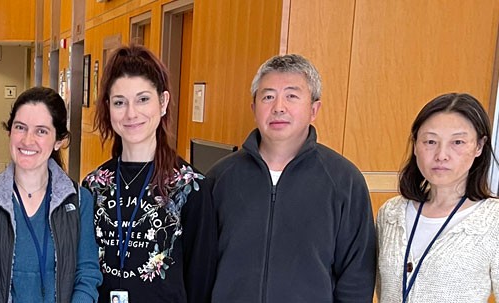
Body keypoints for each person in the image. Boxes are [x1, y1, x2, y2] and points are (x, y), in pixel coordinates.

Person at [204, 54, 376, 301]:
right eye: (268, 96)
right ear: (254, 108)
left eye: (292, 96)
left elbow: (356, 277)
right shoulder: (219, 179)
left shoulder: (344, 182)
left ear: (314, 109)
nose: (279, 107)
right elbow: (201, 268)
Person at [81, 44, 214, 302]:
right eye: (120, 102)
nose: (131, 113)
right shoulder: (94, 186)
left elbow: (201, 283)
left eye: (143, 99)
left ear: (162, 102)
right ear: (108, 108)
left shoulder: (190, 187)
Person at [0, 87, 102, 302]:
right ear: (9, 131)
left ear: (58, 141)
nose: (27, 140)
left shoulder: (80, 200)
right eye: (20, 127)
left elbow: (87, 275)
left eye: (41, 131)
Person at [375, 93, 499, 302]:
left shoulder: (493, 221)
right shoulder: (390, 214)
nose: (441, 154)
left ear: (479, 146)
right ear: (415, 145)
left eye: (457, 142)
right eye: (430, 141)